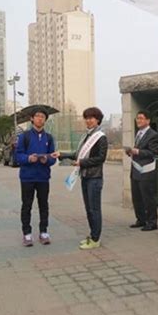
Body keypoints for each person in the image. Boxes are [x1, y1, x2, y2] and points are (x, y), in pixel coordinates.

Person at [51, 107, 108, 250]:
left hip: (94, 177)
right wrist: (61, 154)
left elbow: (101, 158)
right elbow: (77, 153)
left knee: (94, 209)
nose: (88, 121)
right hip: (84, 177)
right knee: (88, 208)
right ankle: (92, 235)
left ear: (97, 120)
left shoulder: (101, 137)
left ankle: (96, 238)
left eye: (91, 118)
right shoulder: (86, 136)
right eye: (86, 118)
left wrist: (81, 163)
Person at [15, 106, 56, 247]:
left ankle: (43, 232)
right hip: (27, 177)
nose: (40, 118)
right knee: (26, 205)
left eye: (42, 116)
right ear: (32, 118)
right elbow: (18, 156)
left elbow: (53, 157)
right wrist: (28, 159)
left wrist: (47, 160)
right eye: (37, 116)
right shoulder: (24, 136)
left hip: (43, 177)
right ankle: (27, 234)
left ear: (45, 120)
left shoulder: (49, 138)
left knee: (43, 205)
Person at [127, 110, 158, 231]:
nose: (138, 120)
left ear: (148, 120)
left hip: (146, 171)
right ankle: (141, 219)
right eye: (137, 118)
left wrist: (138, 152)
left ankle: (152, 222)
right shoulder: (139, 133)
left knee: (148, 197)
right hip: (135, 170)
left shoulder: (153, 134)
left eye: (141, 118)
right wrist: (130, 152)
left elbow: (154, 153)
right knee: (137, 197)